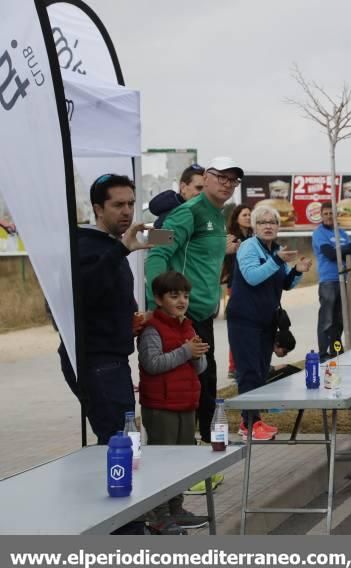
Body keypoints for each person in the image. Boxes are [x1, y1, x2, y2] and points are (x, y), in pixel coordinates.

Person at [145, 156, 241, 445]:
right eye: (220, 177)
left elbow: (200, 257)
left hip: (203, 314)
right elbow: (156, 253)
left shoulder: (216, 214)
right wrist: (159, 305)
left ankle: (204, 454)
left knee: (204, 386)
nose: (226, 183)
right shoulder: (186, 213)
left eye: (232, 179)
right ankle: (191, 457)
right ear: (205, 178)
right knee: (191, 389)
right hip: (182, 317)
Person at [57, 174, 152, 445]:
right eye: (118, 205)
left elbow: (109, 295)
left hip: (112, 358)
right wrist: (121, 250)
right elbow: (81, 293)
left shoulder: (112, 245)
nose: (126, 211)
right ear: (98, 209)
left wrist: (129, 319)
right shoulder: (83, 245)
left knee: (119, 438)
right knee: (119, 440)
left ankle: (114, 486)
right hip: (96, 360)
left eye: (131, 204)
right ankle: (112, 488)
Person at [227, 204, 311, 440]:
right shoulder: (248, 247)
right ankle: (248, 424)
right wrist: (276, 260)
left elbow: (284, 283)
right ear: (254, 226)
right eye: (262, 222)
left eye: (272, 222)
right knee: (249, 372)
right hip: (244, 319)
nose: (267, 226)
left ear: (278, 227)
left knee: (261, 371)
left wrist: (297, 271)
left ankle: (256, 422)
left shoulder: (276, 249)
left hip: (266, 321)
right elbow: (252, 277)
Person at [138, 271, 209, 534]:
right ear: (158, 298)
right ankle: (159, 514)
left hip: (186, 402)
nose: (182, 300)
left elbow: (199, 368)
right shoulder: (152, 329)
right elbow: (152, 364)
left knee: (182, 460)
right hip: (161, 406)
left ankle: (176, 508)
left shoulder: (187, 325)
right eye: (174, 295)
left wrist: (197, 355)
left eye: (186, 296)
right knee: (161, 461)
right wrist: (184, 352)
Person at [312, 201, 351, 360]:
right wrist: (343, 250)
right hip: (328, 281)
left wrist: (340, 250)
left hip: (343, 280)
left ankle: (336, 351)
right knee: (327, 320)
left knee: (340, 320)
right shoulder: (319, 233)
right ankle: (323, 354)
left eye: (332, 213)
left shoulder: (341, 232)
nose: (329, 216)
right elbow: (329, 253)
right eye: (326, 214)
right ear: (322, 216)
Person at [222, 204, 253, 376]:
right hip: (235, 285)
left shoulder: (254, 236)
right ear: (236, 218)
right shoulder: (232, 238)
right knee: (237, 327)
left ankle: (246, 362)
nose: (248, 217)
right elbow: (229, 263)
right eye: (245, 214)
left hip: (253, 285)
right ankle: (233, 367)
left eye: (250, 214)